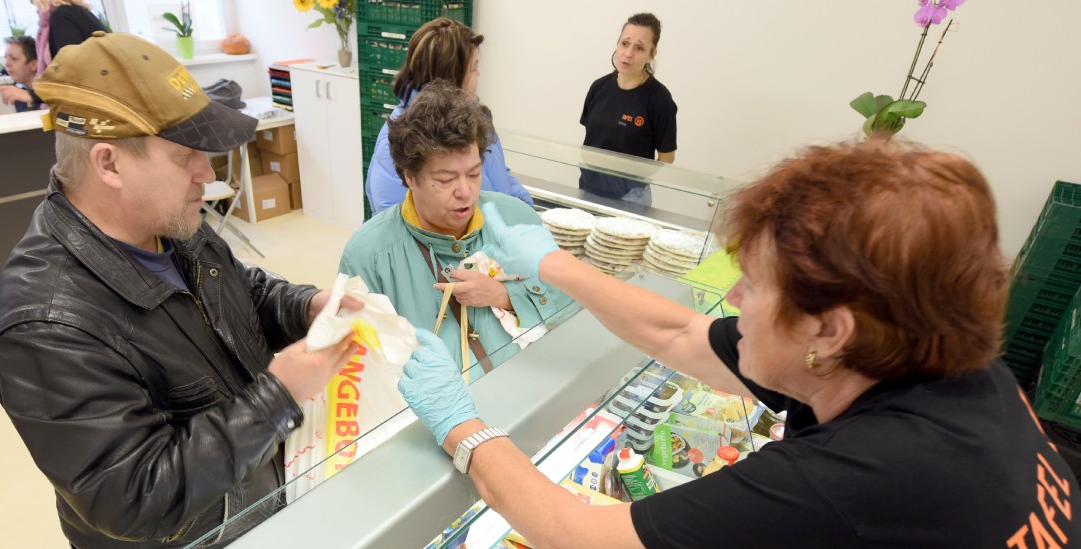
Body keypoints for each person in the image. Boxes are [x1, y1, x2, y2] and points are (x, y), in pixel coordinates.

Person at [399, 138, 1081, 547]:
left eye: (753, 284)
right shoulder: (943, 361)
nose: (730, 298)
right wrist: (554, 265)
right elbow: (679, 331)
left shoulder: (855, 476)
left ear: (829, 330)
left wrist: (460, 424)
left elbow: (578, 535)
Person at [0, 33, 360, 548]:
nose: (206, 174)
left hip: (262, 499)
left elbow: (240, 290)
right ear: (109, 163)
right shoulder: (46, 322)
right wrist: (277, 398)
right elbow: (134, 497)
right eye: (185, 155)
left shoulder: (168, 222)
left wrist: (305, 305)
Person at [341, 80, 571, 380]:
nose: (465, 191)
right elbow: (360, 368)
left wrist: (503, 295)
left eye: (474, 174)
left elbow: (569, 305)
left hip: (524, 391)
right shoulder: (368, 254)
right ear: (410, 177)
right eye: (446, 179)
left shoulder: (516, 218)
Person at [365, 17, 533, 216]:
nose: (478, 74)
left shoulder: (475, 119)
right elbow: (399, 224)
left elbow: (503, 178)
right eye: (473, 68)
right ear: (451, 76)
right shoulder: (399, 141)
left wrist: (529, 216)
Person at [579, 13, 677, 209]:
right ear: (617, 44)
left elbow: (667, 157)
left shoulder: (659, 99)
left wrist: (632, 182)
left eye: (639, 48)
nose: (629, 53)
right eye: (625, 43)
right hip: (588, 188)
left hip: (630, 197)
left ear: (652, 54)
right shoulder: (599, 87)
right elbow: (593, 138)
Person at [0, 36, 40, 111]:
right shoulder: (16, 88)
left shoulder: (48, 94)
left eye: (14, 58)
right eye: (6, 57)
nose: (7, 63)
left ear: (33, 65)